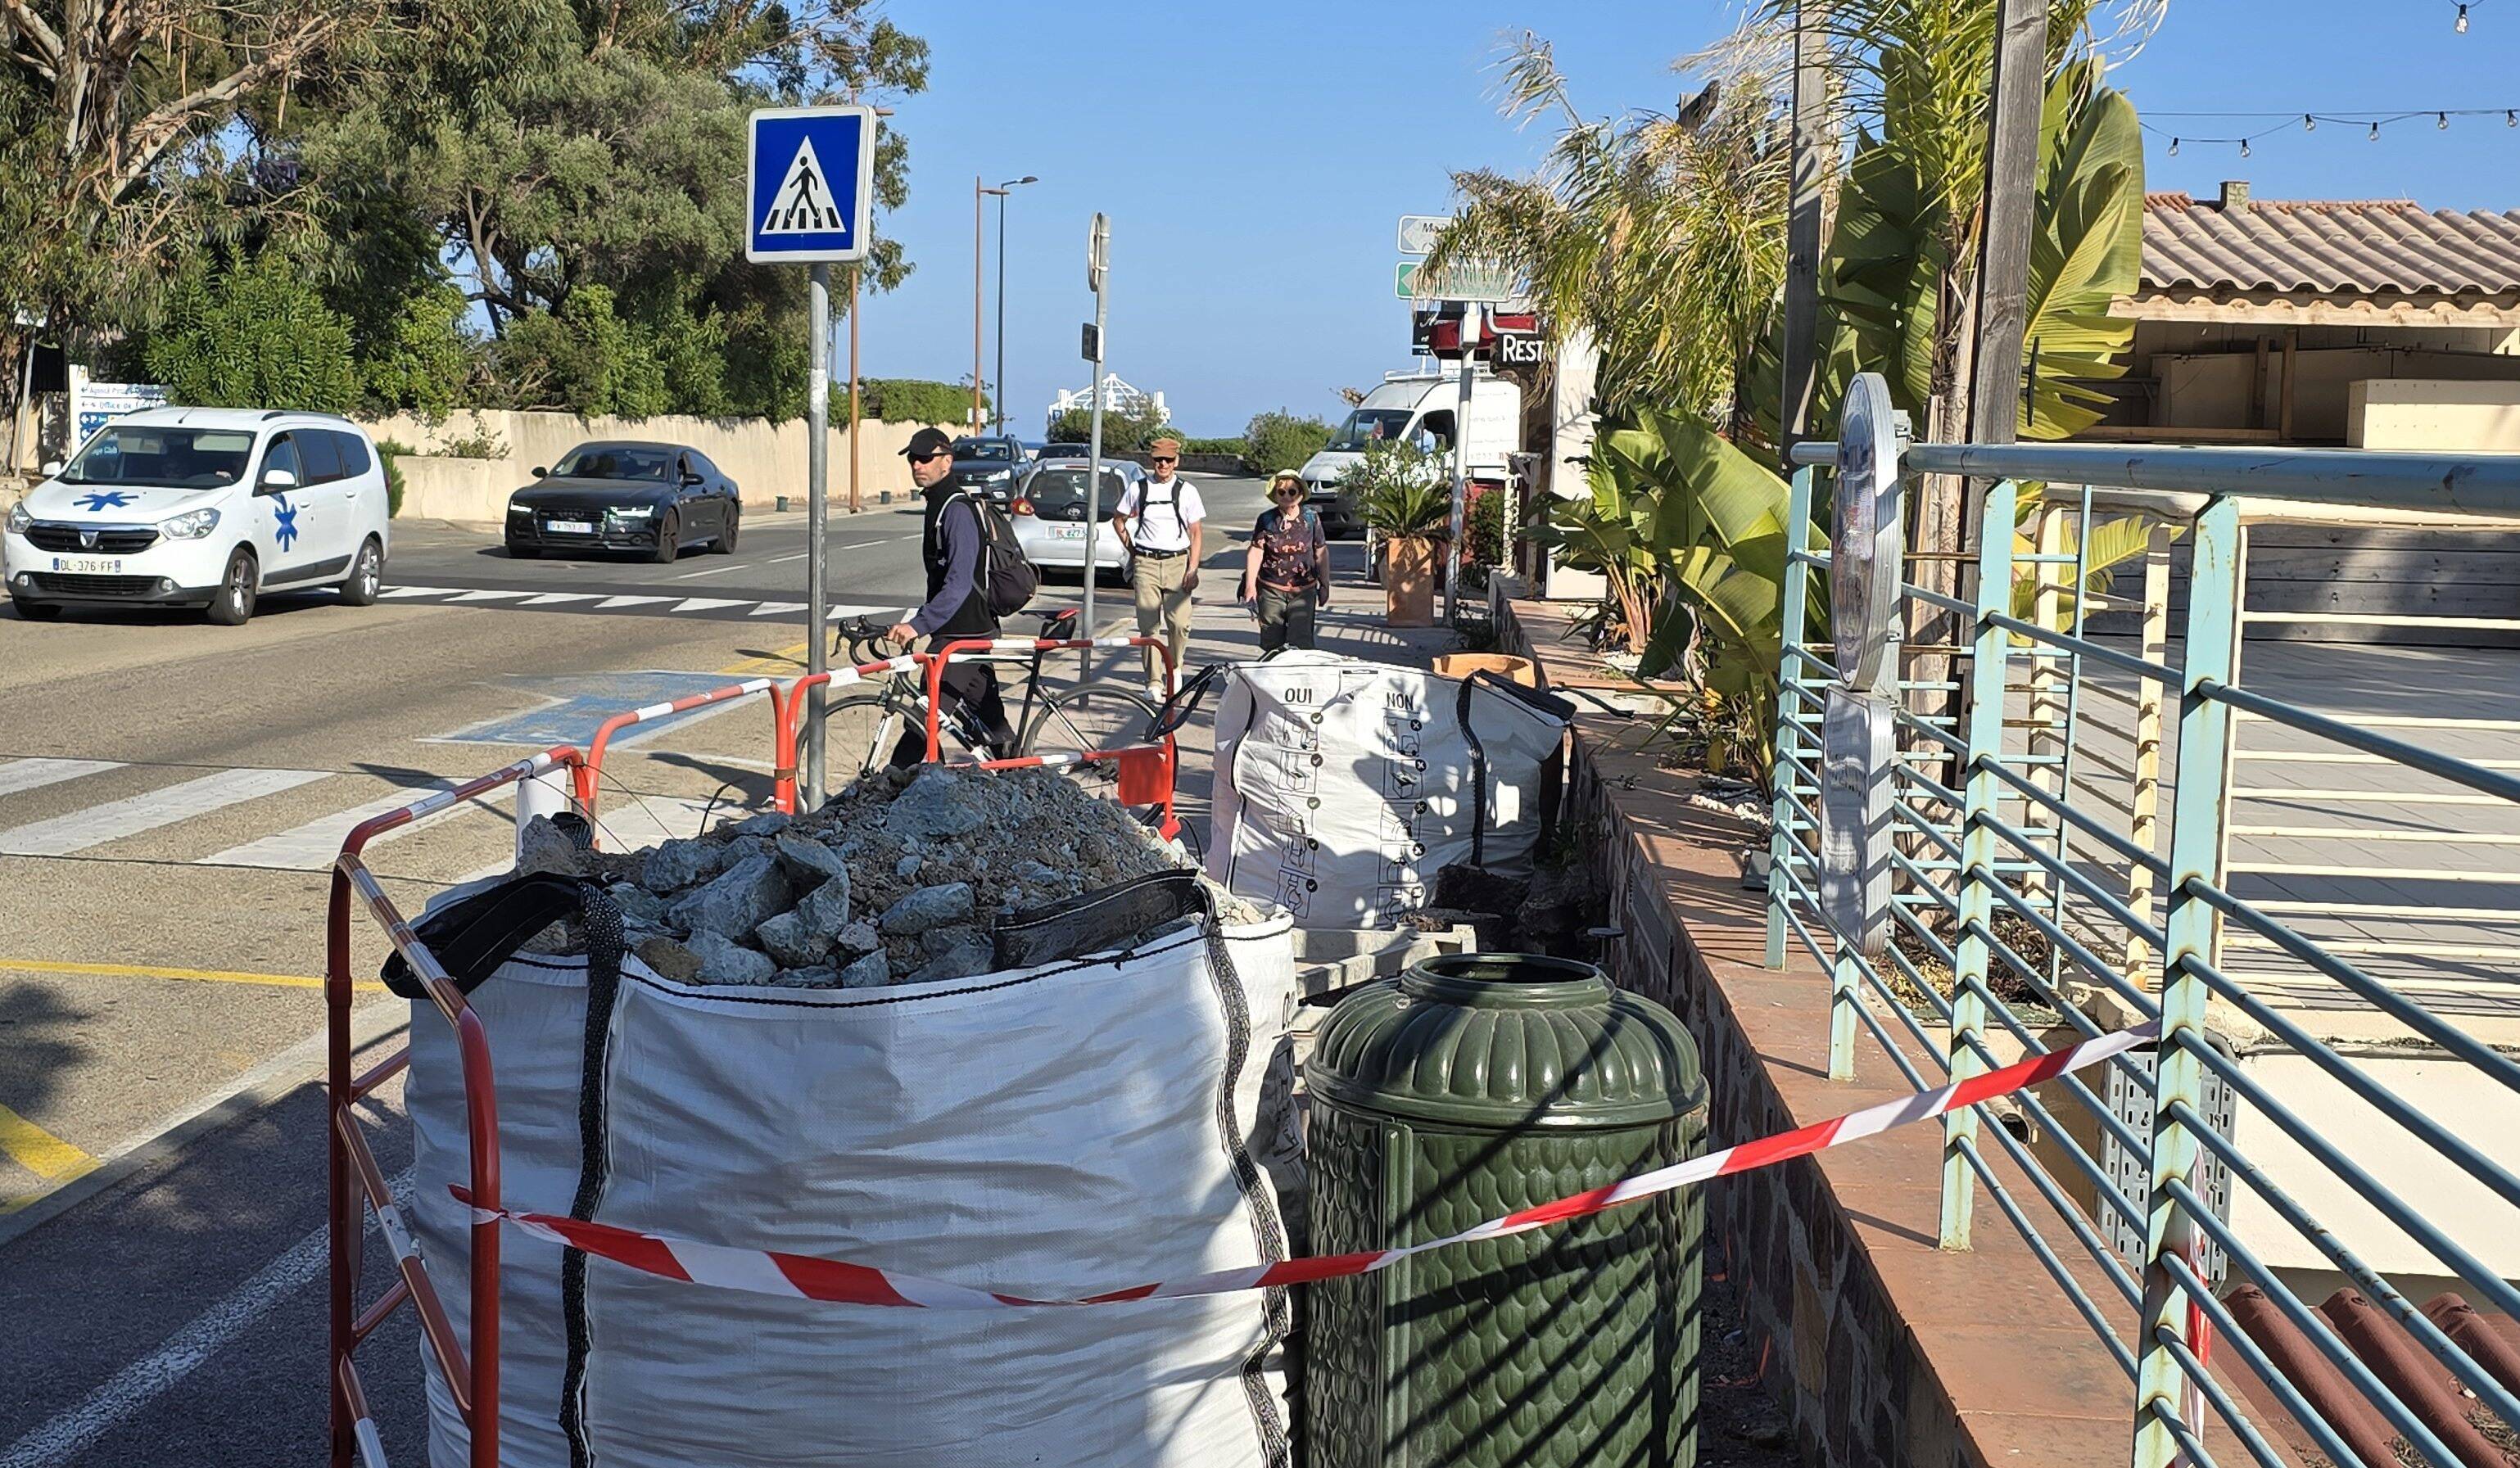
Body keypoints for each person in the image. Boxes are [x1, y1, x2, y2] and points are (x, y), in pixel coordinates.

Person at [886, 427, 1013, 765]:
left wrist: (920, 625)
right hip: (960, 630)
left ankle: (896, 790)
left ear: (947, 461)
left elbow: (958, 583)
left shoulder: (956, 510)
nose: (917, 465)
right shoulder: (938, 505)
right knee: (989, 725)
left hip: (965, 634)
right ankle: (1019, 776)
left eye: (926, 458)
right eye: (913, 459)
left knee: (921, 720)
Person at [1110, 436, 1205, 696]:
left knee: (1179, 623)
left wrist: (1193, 568)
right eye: (1158, 460)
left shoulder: (1187, 491)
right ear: (1151, 461)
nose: (1163, 464)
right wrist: (1133, 550)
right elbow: (1118, 520)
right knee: (1149, 626)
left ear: (1177, 462)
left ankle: (1174, 667)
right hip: (1146, 562)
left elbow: (1196, 532)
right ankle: (1153, 681)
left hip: (1177, 562)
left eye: (1168, 460)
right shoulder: (1138, 488)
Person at [1240, 470, 1330, 654]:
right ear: (1275, 495)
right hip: (1271, 587)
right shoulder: (1266, 520)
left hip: (1304, 590)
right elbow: (1256, 551)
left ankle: (1299, 677)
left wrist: (1325, 585)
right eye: (1281, 492)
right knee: (1272, 639)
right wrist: (1250, 586)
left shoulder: (1311, 518)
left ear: (1300, 494)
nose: (1287, 496)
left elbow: (1320, 551)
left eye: (1292, 491)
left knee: (1301, 641)